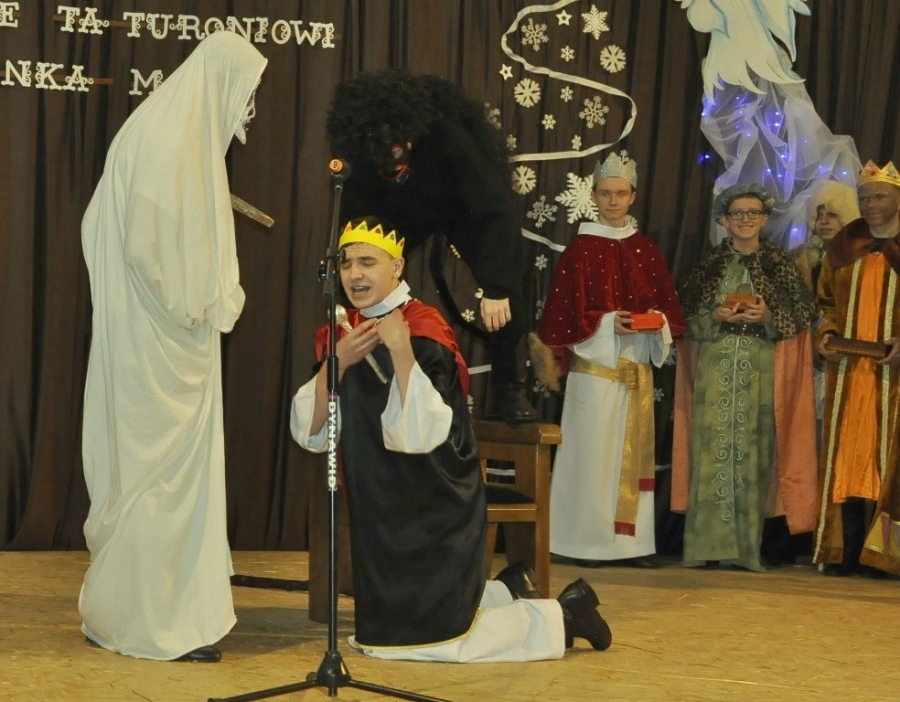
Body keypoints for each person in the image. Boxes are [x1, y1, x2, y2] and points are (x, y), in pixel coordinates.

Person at [290, 217, 611, 661]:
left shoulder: (423, 327)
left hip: (432, 504)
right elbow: (310, 431)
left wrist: (401, 350)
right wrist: (337, 362)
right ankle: (508, 590)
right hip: (379, 506)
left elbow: (425, 434)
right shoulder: (342, 333)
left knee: (430, 641)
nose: (354, 274)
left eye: (367, 262)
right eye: (346, 264)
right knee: (388, 636)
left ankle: (566, 616)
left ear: (397, 267)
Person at [78, 32, 267, 662]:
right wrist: (194, 308)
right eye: (246, 92)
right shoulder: (168, 143)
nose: (249, 109)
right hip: (162, 348)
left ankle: (123, 611)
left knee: (145, 475)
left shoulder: (161, 133)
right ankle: (160, 623)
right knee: (162, 479)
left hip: (152, 341)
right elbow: (147, 249)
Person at [325, 69, 536, 423]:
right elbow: (352, 231)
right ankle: (371, 377)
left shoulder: (449, 139)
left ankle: (509, 387)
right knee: (365, 273)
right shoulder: (359, 159)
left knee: (507, 292)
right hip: (399, 212)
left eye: (399, 152)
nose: (394, 164)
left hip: (459, 203)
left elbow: (494, 213)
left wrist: (497, 287)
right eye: (384, 159)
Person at [535, 151, 685, 568]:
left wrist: (654, 322)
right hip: (594, 374)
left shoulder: (645, 250)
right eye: (605, 193)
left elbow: (668, 312)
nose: (613, 201)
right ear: (594, 196)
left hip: (636, 371)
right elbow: (562, 317)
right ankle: (584, 544)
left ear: (632, 196)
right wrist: (606, 325)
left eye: (620, 193)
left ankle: (630, 547)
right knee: (592, 460)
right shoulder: (580, 251)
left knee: (631, 459)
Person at [675, 183, 819, 572]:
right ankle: (704, 547)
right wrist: (713, 316)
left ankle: (744, 550)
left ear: (764, 219)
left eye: (753, 213)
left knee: (753, 456)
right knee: (709, 454)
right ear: (724, 220)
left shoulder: (779, 263)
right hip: (714, 370)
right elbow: (685, 319)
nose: (745, 220)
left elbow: (801, 315)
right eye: (737, 214)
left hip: (760, 372)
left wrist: (769, 316)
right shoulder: (709, 264)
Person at [814, 160, 900, 578]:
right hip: (849, 374)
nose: (871, 204)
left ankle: (883, 555)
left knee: (889, 463)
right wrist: (826, 334)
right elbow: (825, 301)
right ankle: (844, 551)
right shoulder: (845, 245)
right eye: (864, 198)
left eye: (879, 196)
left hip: (894, 378)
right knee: (847, 459)